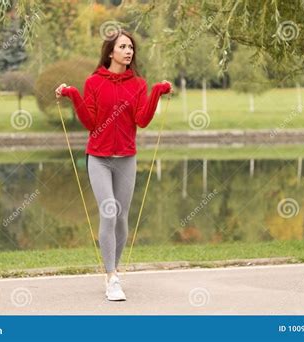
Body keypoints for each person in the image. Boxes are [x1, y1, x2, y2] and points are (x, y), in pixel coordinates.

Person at [55, 29, 173, 301]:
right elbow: (91, 123)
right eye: (123, 46)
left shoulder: (138, 84)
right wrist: (73, 94)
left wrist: (156, 90)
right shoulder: (94, 82)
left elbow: (142, 120)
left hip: (127, 159)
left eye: (131, 47)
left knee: (121, 216)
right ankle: (111, 278)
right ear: (110, 52)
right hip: (98, 157)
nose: (129, 51)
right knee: (108, 211)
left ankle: (115, 271)